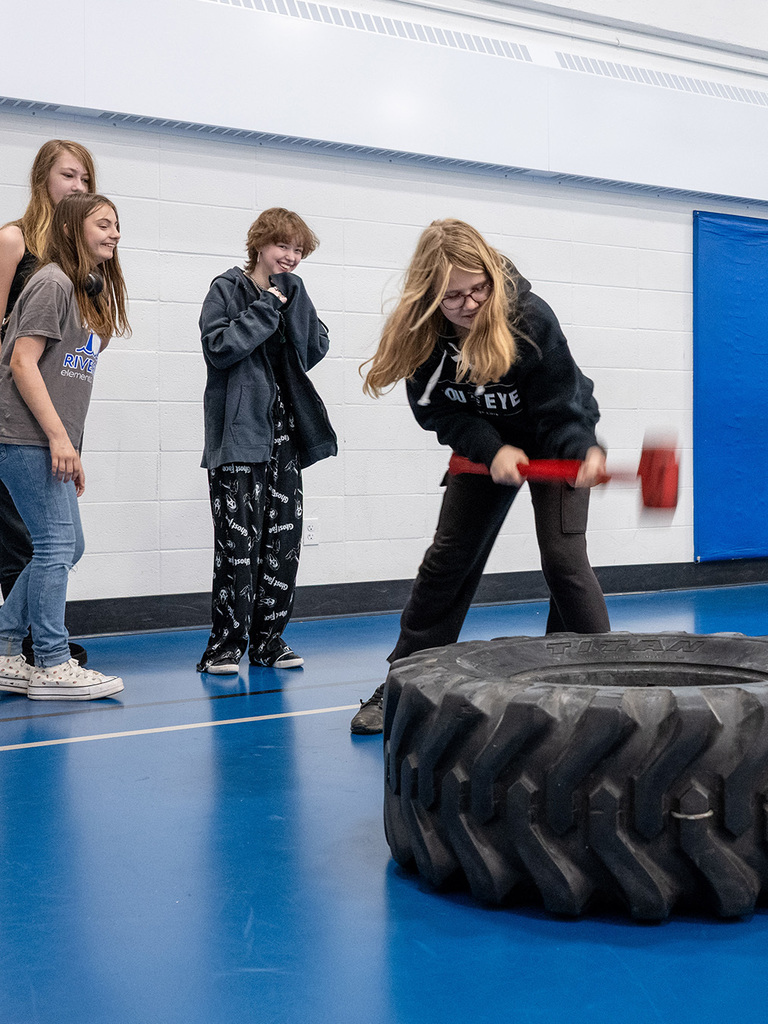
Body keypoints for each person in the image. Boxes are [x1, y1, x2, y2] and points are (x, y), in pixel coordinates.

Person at [350, 219, 610, 734]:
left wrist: (582, 449)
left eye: (478, 289)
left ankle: (603, 688)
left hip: (553, 439)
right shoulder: (422, 334)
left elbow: (563, 403)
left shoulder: (528, 318)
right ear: (429, 297)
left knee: (564, 561)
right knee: (448, 560)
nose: (469, 304)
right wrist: (492, 449)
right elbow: (439, 414)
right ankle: (402, 681)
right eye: (453, 297)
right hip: (482, 449)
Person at [0, 192, 130, 700]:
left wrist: (70, 444)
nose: (115, 233)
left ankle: (7, 646)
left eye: (117, 225)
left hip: (50, 438)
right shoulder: (52, 282)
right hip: (23, 435)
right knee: (55, 546)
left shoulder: (83, 290)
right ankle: (52, 662)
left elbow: (67, 378)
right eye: (103, 224)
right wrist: (57, 437)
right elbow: (22, 362)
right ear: (75, 228)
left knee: (68, 545)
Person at [196, 208, 336, 676]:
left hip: (285, 438)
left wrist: (293, 301)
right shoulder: (227, 288)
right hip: (238, 438)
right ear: (260, 244)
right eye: (284, 246)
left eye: (299, 250)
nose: (291, 257)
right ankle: (224, 646)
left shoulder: (293, 291)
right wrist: (267, 306)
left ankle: (268, 641)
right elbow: (219, 348)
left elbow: (314, 348)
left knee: (283, 543)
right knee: (239, 545)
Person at [0, 139, 97, 666]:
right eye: (68, 176)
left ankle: (20, 642)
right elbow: (4, 338)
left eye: (85, 179)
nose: (78, 187)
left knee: (56, 540)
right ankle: (39, 648)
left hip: (49, 410)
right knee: (33, 537)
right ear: (44, 179)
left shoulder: (75, 261)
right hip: (14, 411)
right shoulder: (15, 240)